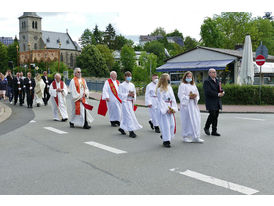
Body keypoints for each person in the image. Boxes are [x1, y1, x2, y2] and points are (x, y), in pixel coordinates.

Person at [178, 71, 204, 143]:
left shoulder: (193, 85)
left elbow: (197, 94)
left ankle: (195, 136)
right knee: (186, 121)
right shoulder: (182, 85)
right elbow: (181, 95)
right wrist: (188, 97)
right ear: (185, 77)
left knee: (196, 120)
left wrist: (195, 97)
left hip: (193, 105)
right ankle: (185, 136)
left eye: (190, 76)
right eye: (188, 76)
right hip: (186, 106)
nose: (189, 78)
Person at [118, 71, 142, 138]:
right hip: (125, 102)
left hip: (130, 102)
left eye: (130, 76)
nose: (129, 77)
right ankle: (131, 131)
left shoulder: (132, 85)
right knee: (128, 116)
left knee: (127, 116)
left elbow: (135, 93)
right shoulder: (121, 85)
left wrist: (133, 95)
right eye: (128, 76)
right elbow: (119, 94)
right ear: (125, 77)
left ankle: (122, 128)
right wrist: (127, 94)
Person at [156, 73, 178, 148]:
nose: (169, 80)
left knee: (172, 125)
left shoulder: (170, 88)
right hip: (164, 109)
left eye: (169, 79)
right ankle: (166, 141)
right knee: (166, 125)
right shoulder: (159, 89)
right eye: (167, 79)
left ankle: (166, 136)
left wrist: (173, 108)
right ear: (164, 80)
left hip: (170, 107)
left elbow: (173, 99)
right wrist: (166, 109)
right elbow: (161, 101)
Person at [203, 68, 224, 136]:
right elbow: (208, 92)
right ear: (209, 74)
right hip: (210, 101)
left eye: (215, 72)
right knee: (212, 114)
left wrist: (222, 92)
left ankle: (214, 131)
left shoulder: (218, 80)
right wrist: (217, 94)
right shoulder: (207, 81)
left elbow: (220, 88)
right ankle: (206, 127)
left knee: (216, 116)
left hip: (217, 101)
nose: (215, 73)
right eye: (213, 72)